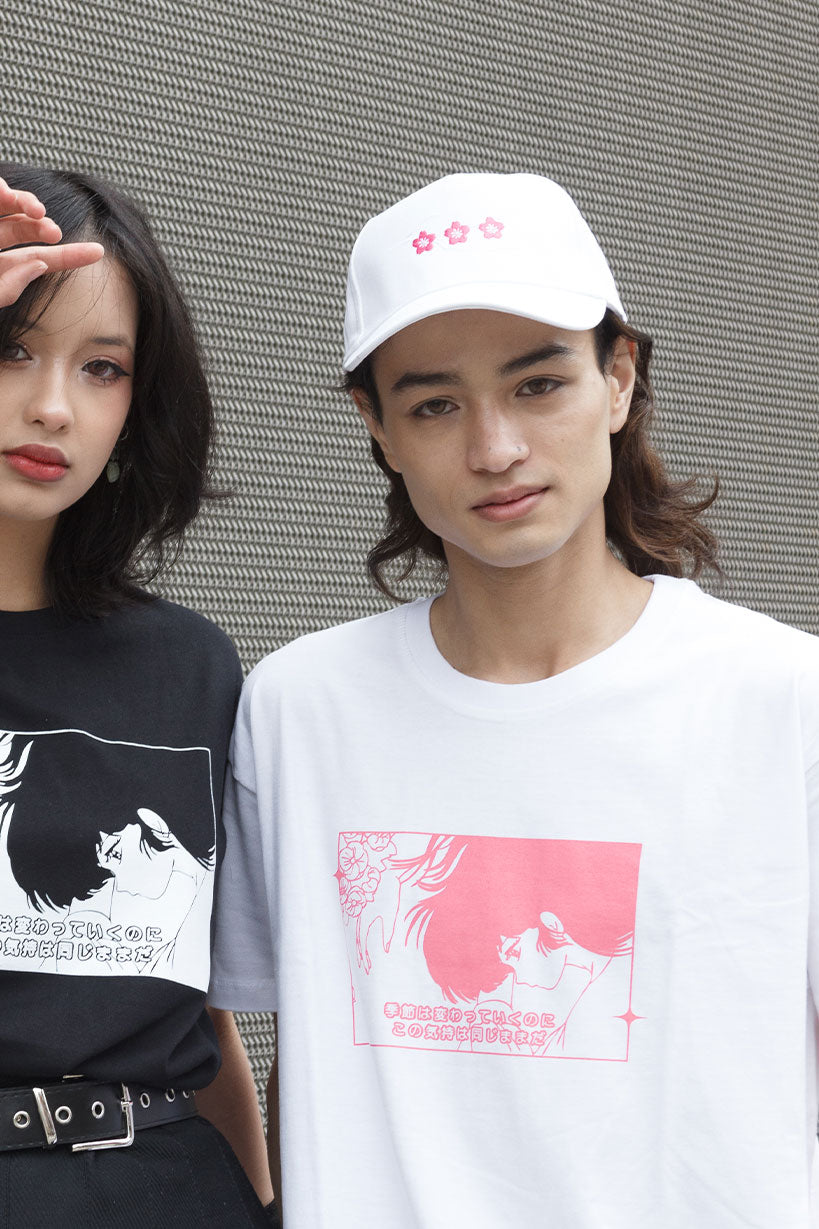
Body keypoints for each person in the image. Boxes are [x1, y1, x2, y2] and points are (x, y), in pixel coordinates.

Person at [209, 172, 819, 1227]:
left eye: (538, 385)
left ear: (618, 379)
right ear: (376, 427)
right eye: (435, 404)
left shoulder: (784, 701)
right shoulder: (299, 710)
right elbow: (263, 1038)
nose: (494, 448)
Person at [0, 165, 276, 1226]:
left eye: (102, 366)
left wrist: (259, 1199)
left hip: (163, 1185)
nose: (53, 404)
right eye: (11, 348)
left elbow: (196, 1016)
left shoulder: (189, 667)